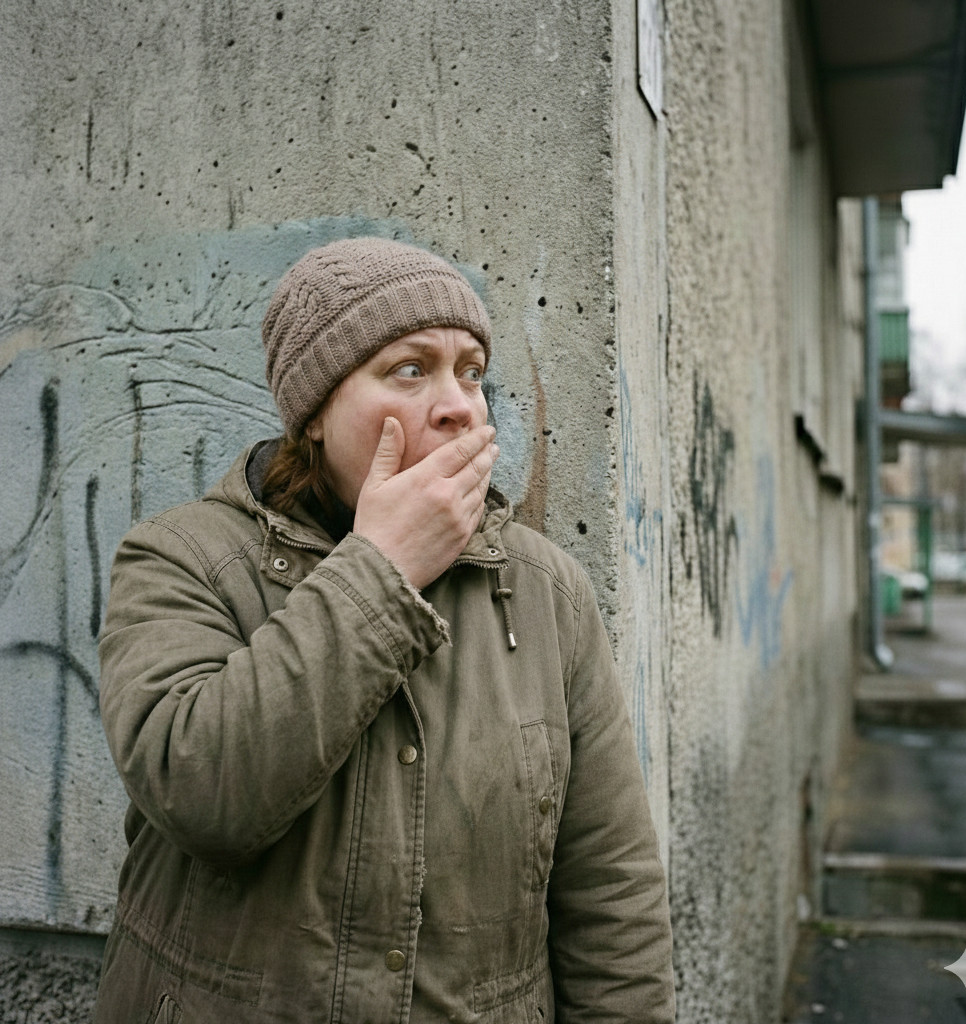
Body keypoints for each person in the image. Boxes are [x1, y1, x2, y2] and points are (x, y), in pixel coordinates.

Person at [94, 237, 674, 1023]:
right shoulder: (182, 560)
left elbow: (612, 894)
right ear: (316, 412)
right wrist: (382, 567)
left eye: (471, 371)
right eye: (410, 368)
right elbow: (202, 795)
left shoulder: (544, 594)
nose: (459, 403)